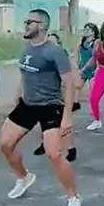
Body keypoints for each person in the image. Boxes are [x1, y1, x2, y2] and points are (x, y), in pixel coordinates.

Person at [0, 9, 81, 206]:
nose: (26, 24)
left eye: (31, 22)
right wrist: (19, 91)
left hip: (50, 106)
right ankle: (24, 177)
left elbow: (69, 83)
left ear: (43, 26)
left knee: (54, 154)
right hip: (28, 104)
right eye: (26, 21)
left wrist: (67, 117)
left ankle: (73, 198)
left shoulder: (55, 51)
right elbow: (25, 72)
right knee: (6, 144)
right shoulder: (27, 48)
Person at [33, 32, 77, 162]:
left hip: (58, 95)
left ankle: (71, 148)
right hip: (43, 95)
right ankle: (44, 143)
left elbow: (68, 80)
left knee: (64, 123)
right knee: (43, 120)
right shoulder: (43, 56)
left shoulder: (61, 57)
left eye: (53, 42)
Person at [76, 23, 99, 100]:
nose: (86, 31)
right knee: (78, 87)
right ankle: (75, 103)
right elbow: (78, 51)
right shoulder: (83, 42)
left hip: (92, 69)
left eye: (88, 29)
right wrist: (77, 64)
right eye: (85, 29)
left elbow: (96, 56)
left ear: (93, 32)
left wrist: (98, 69)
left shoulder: (95, 42)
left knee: (93, 91)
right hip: (83, 67)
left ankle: (95, 105)